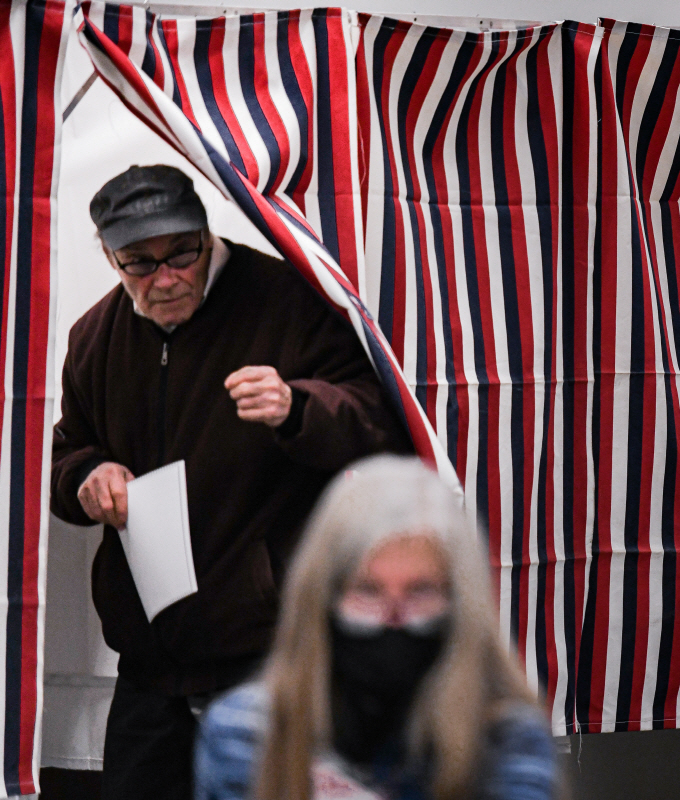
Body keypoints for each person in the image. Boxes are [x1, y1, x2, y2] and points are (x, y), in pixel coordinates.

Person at [49, 165, 412, 800]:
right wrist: (88, 476)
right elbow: (66, 452)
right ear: (110, 257)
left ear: (205, 232)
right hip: (150, 659)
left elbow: (379, 420)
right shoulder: (94, 338)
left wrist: (296, 406)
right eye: (140, 263)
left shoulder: (286, 299)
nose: (166, 278)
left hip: (266, 649)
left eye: (181, 254)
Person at [194, 455, 558, 800]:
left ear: (460, 602)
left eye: (420, 591)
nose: (392, 619)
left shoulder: (507, 742)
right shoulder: (248, 733)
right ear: (323, 598)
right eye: (368, 591)